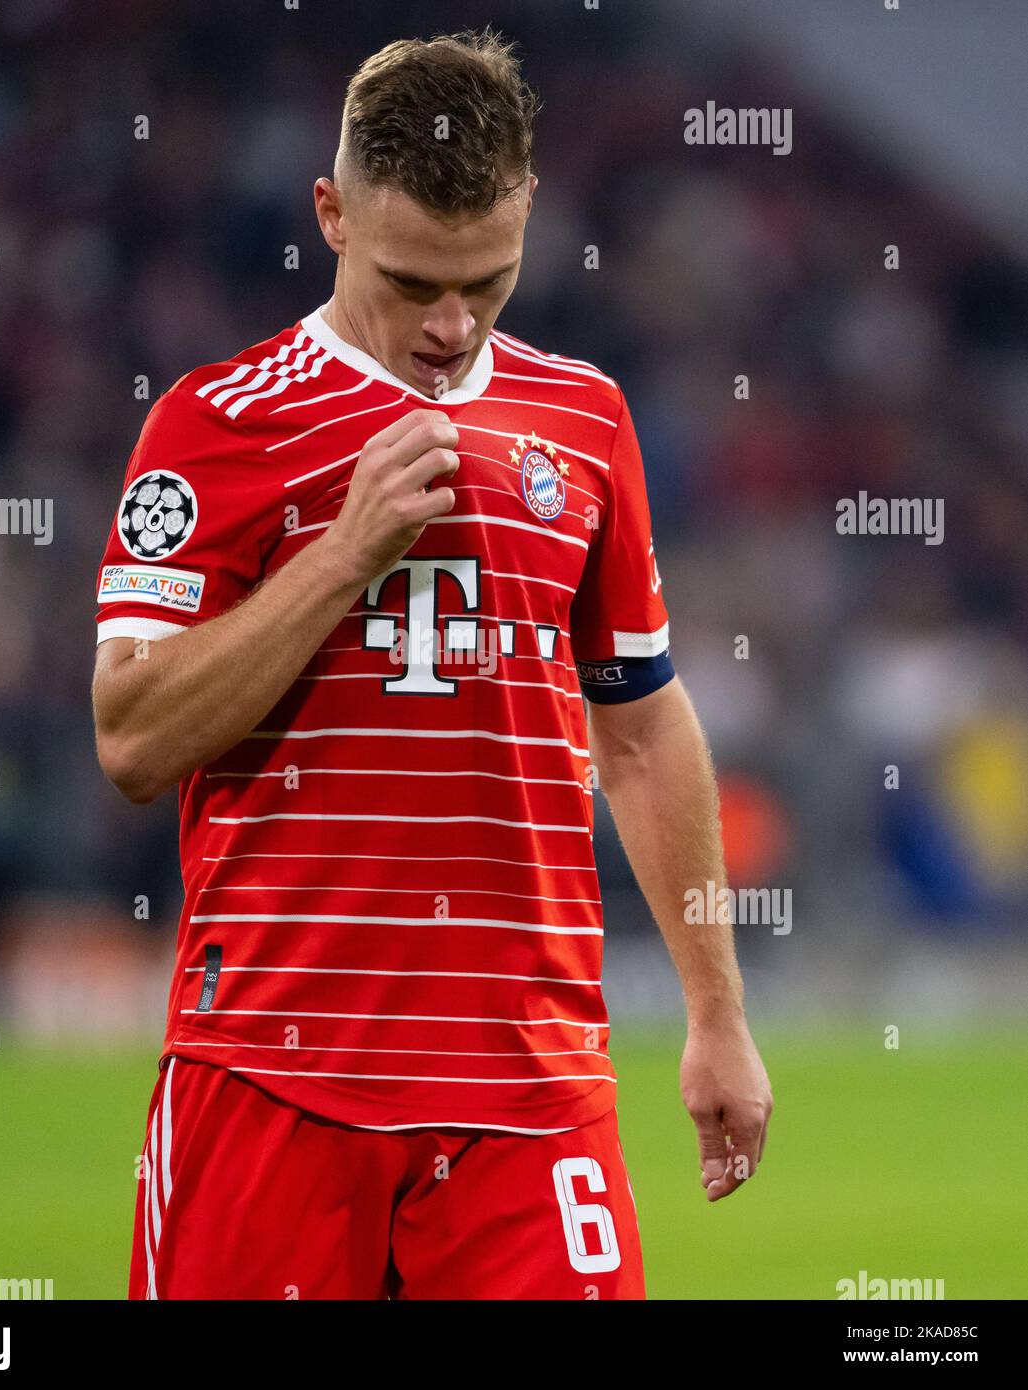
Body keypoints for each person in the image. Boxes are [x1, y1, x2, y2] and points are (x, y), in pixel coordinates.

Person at [92, 28, 771, 1300]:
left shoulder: (584, 420)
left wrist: (716, 1016)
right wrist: (342, 554)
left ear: (525, 214)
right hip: (275, 1075)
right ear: (330, 215)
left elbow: (638, 726)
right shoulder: (215, 423)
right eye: (412, 284)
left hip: (530, 1089)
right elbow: (131, 735)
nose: (450, 327)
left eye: (489, 282)